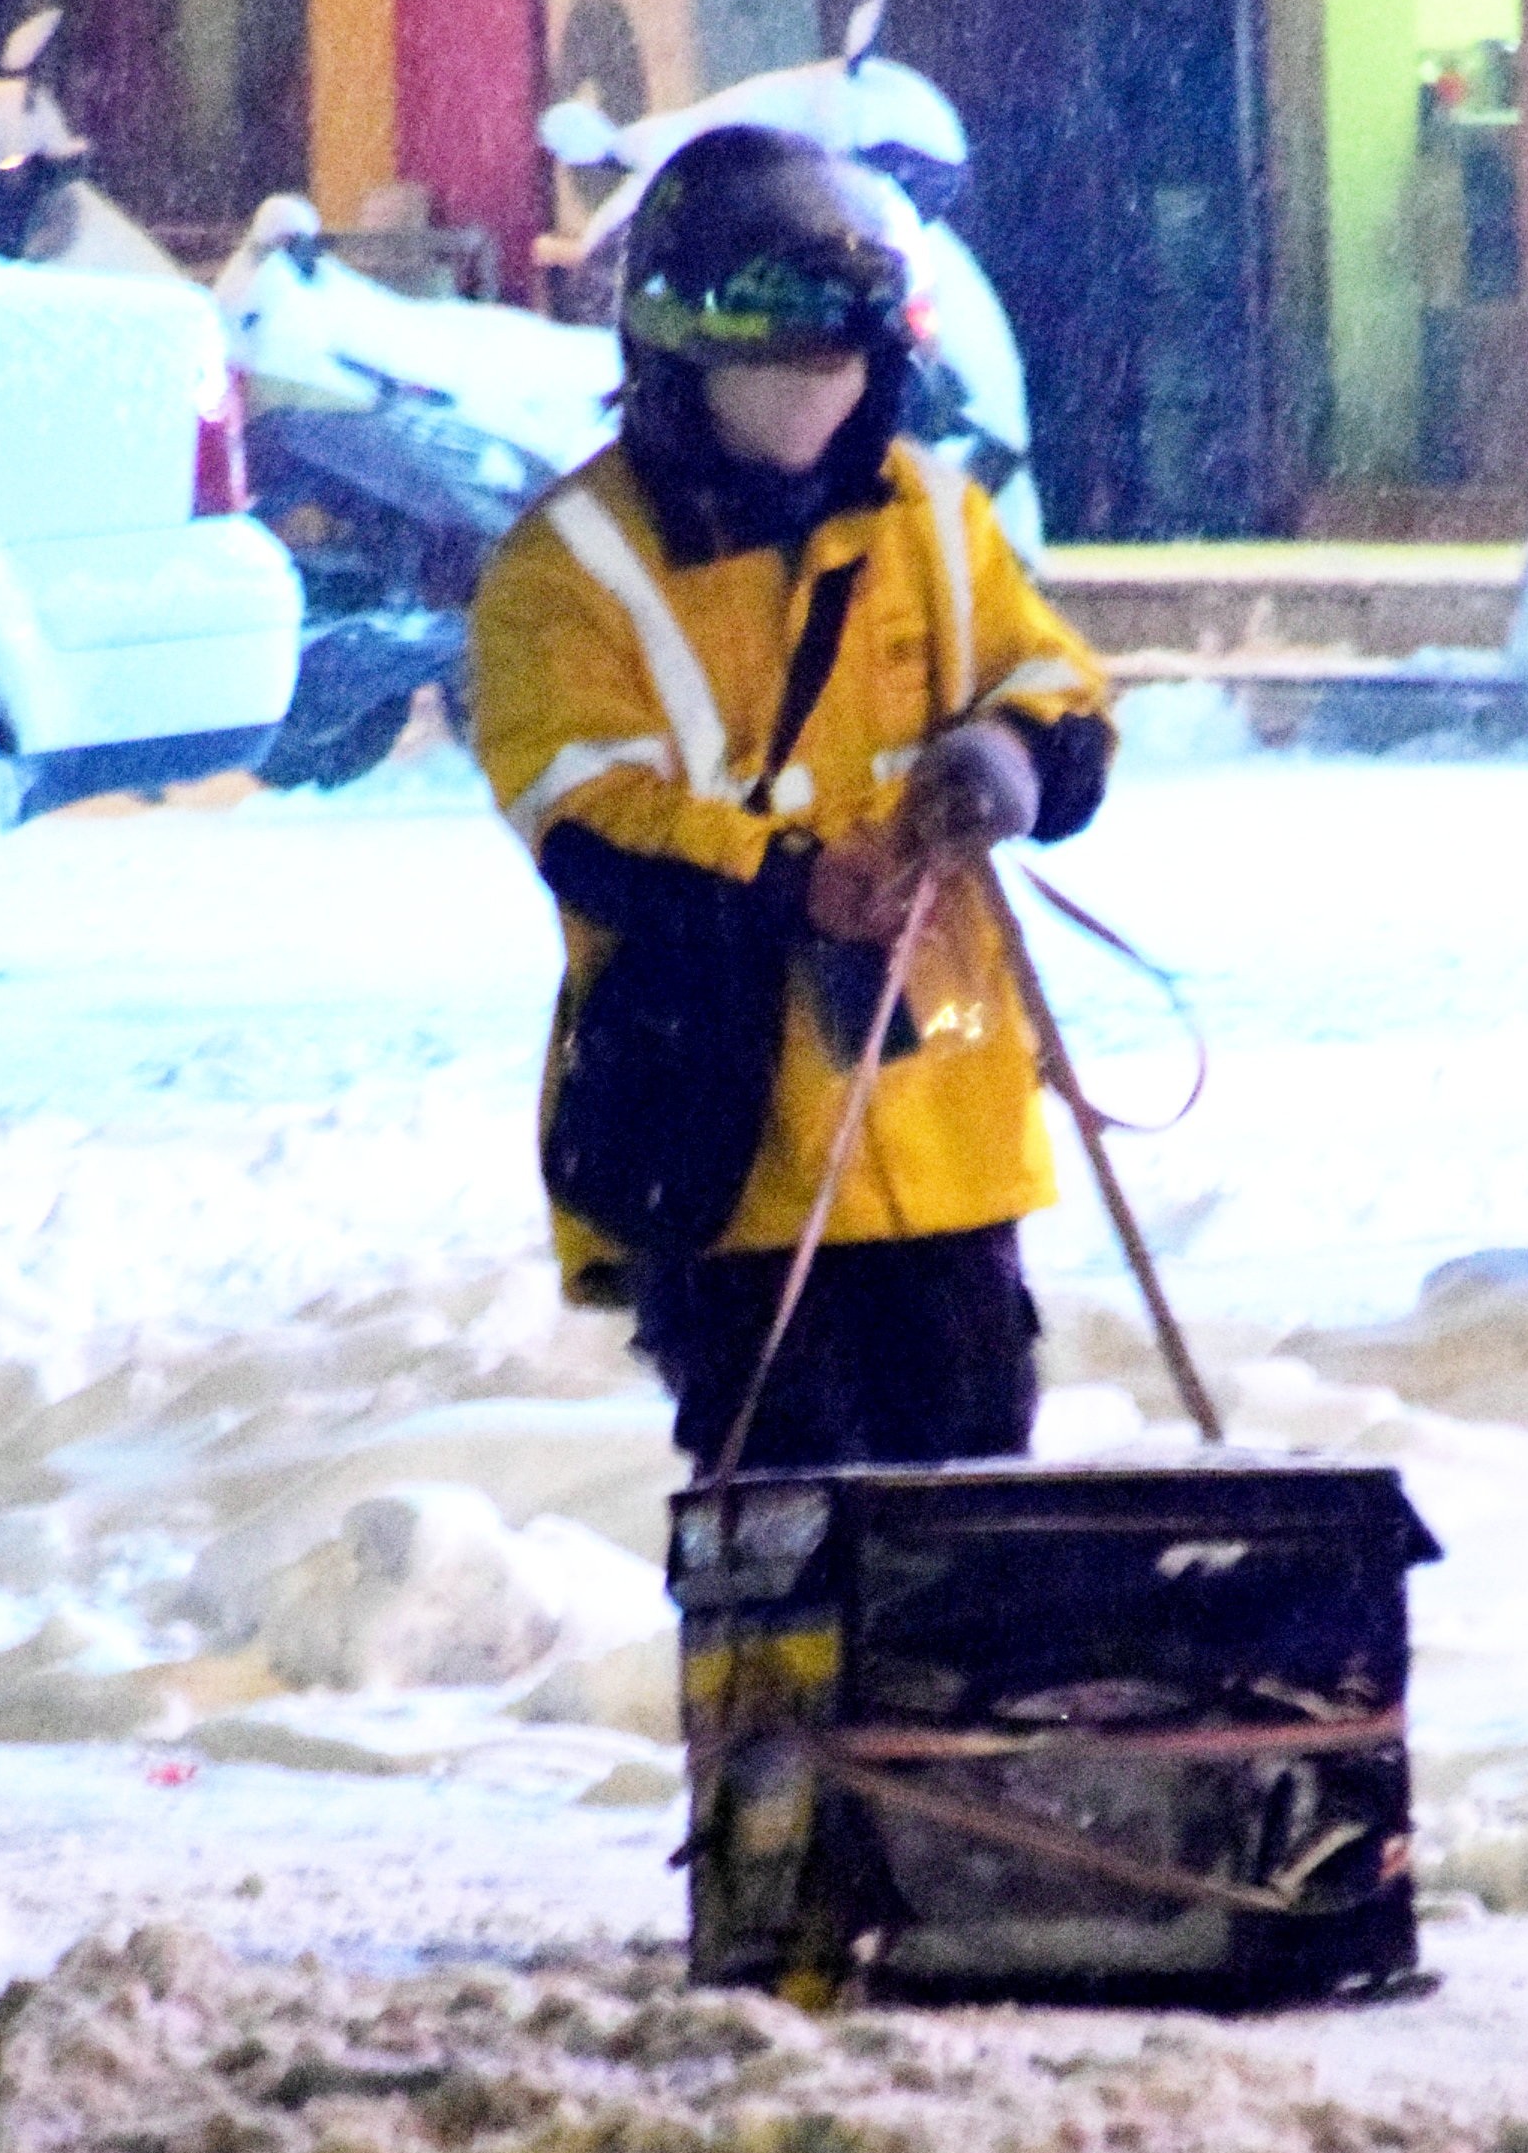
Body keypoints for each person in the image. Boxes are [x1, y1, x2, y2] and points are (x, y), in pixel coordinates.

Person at [474, 123, 1115, 1474]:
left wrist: (1009, 755)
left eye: (838, 357)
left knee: (968, 1511)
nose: (809, 391)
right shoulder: (569, 568)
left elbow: (1057, 681)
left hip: (944, 1143)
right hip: (724, 1151)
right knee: (785, 1518)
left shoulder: (937, 520)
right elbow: (585, 813)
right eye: (772, 358)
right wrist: (788, 879)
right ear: (676, 358)